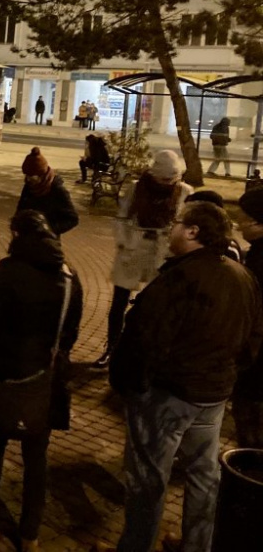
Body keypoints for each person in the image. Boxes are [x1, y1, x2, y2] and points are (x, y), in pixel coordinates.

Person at [107, 201, 262, 552]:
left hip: (168, 397)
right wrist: (225, 376)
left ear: (193, 232)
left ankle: (135, 546)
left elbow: (143, 342)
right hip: (213, 396)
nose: (171, 228)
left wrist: (130, 386)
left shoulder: (178, 280)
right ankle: (197, 545)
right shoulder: (241, 275)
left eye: (178, 222)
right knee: (204, 474)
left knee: (148, 479)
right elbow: (253, 339)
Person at [0, 210, 83, 552]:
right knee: (36, 458)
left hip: (5, 376)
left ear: (17, 234)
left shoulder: (7, 272)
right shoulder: (69, 276)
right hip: (44, 381)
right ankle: (30, 534)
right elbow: (71, 333)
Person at [95, 150, 192, 367]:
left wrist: (175, 248)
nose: (168, 182)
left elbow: (184, 221)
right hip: (135, 246)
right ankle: (111, 348)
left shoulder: (184, 191)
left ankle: (145, 355)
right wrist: (125, 242)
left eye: (172, 178)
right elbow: (121, 217)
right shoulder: (137, 188)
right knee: (119, 301)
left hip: (163, 250)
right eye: (164, 178)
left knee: (156, 303)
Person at [232, 189, 263, 447]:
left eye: (241, 219)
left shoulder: (260, 261)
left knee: (250, 420)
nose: (237, 225)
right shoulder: (256, 252)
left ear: (257, 222)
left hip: (257, 362)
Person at [16, 147, 79, 237]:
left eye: (32, 176)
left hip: (47, 242)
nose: (28, 179)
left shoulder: (57, 190)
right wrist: (16, 223)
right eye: (26, 175)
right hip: (26, 239)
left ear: (41, 175)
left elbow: (72, 219)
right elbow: (21, 208)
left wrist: (49, 229)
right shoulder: (29, 186)